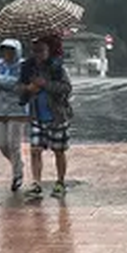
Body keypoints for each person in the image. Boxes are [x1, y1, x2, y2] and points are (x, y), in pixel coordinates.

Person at [20, 36, 73, 199]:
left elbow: (66, 88)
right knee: (35, 150)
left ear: (48, 51)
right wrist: (28, 88)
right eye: (34, 50)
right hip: (36, 115)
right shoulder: (28, 68)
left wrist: (45, 84)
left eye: (41, 50)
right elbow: (19, 88)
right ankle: (36, 183)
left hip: (56, 116)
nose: (38, 54)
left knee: (58, 151)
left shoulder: (57, 68)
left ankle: (60, 182)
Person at [0, 39, 28, 192]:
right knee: (2, 145)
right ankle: (18, 164)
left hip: (18, 109)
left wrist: (1, 81)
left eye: (11, 50)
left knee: (14, 144)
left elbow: (19, 85)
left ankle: (17, 175)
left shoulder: (24, 67)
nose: (7, 53)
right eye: (4, 50)